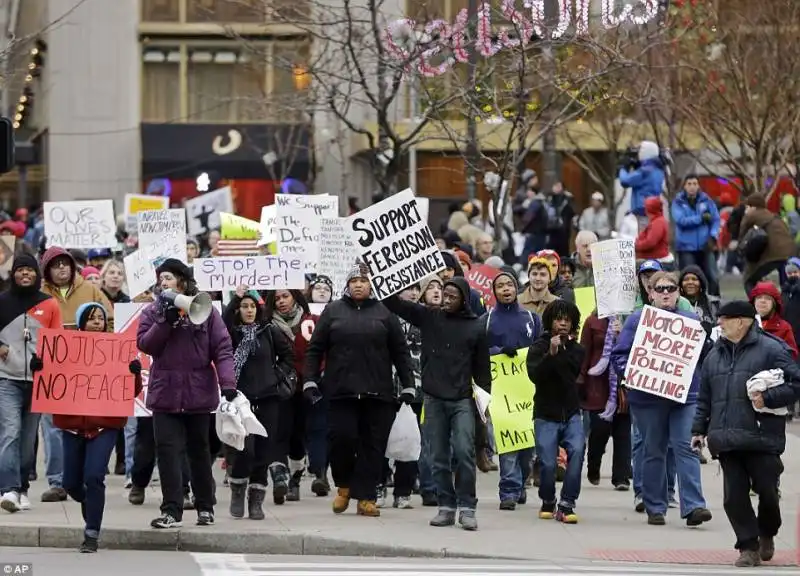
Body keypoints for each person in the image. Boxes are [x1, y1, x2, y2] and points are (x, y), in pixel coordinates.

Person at [692, 301, 800, 567]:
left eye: (724, 319)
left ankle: (767, 531)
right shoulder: (714, 354)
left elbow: (796, 382)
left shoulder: (773, 348)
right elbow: (704, 397)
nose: (720, 324)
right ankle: (748, 546)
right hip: (726, 437)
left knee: (768, 492)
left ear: (742, 321)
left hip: (762, 437)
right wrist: (698, 430)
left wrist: (769, 397)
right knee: (734, 497)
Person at [302, 265, 413, 518]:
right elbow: (315, 349)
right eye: (354, 281)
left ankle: (366, 497)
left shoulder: (385, 312)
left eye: (363, 280)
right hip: (341, 392)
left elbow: (400, 352)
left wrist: (408, 384)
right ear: (347, 285)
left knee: (372, 446)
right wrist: (309, 380)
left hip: (378, 393)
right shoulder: (333, 311)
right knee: (341, 439)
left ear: (371, 285)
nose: (359, 285)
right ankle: (344, 486)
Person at [383, 275, 490, 530]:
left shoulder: (476, 327)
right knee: (438, 456)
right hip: (433, 398)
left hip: (463, 399)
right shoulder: (429, 317)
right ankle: (446, 507)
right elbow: (393, 303)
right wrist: (382, 276)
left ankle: (467, 507)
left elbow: (483, 373)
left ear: (464, 299)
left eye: (453, 296)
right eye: (445, 294)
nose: (447, 299)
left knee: (464, 452)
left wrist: (483, 409)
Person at [136, 258, 236, 529]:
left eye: (168, 277)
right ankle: (171, 510)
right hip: (165, 394)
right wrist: (165, 323)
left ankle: (205, 507)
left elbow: (223, 348)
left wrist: (228, 382)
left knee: (199, 452)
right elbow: (145, 345)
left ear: (181, 280)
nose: (163, 283)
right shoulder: (153, 312)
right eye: (161, 279)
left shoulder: (205, 310)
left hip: (198, 394)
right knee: (167, 452)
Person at [611, 271, 712, 527]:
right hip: (648, 398)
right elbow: (619, 355)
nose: (666, 293)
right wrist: (633, 375)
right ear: (651, 293)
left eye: (671, 288)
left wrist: (707, 342)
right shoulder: (637, 320)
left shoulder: (691, 321)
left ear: (678, 292)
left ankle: (694, 506)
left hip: (684, 396)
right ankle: (655, 507)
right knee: (653, 450)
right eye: (660, 289)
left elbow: (703, 359)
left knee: (686, 448)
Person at [38, 303, 141, 552]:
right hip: (73, 428)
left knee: (94, 476)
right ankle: (89, 502)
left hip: (104, 427)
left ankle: (91, 533)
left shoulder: (117, 351)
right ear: (81, 322)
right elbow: (50, 381)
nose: (97, 322)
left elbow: (132, 392)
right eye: (91, 318)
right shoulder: (66, 349)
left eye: (100, 318)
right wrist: (39, 367)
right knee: (72, 483)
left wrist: (134, 374)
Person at [38, 246, 113, 503]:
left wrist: (98, 342)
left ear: (73, 266)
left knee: (84, 424)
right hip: (55, 371)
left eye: (65, 263)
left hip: (90, 370)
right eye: (55, 265)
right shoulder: (40, 294)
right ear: (47, 270)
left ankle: (84, 477)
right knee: (53, 426)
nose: (61, 268)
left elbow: (109, 320)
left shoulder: (90, 290)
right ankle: (58, 481)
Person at [223, 291, 295, 519]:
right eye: (244, 306)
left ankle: (256, 500)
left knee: (263, 452)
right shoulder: (231, 334)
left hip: (268, 399)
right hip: (240, 400)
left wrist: (275, 376)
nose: (249, 310)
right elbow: (222, 322)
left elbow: (288, 357)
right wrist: (235, 298)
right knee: (245, 450)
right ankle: (237, 490)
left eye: (252, 306)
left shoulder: (269, 331)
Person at [0, 255, 62, 513]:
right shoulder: (2, 302)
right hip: (7, 379)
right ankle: (8, 490)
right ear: (13, 274)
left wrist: (44, 363)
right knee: (10, 434)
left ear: (37, 275)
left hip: (38, 383)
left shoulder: (49, 305)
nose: (25, 274)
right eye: (20, 270)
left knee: (27, 443)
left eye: (29, 270)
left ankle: (22, 488)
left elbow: (58, 342)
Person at [485, 270, 541, 510]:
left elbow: (540, 347)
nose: (506, 289)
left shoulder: (531, 318)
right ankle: (508, 490)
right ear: (494, 292)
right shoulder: (486, 320)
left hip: (527, 389)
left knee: (526, 445)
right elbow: (479, 351)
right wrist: (497, 351)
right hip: (501, 390)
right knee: (508, 442)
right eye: (500, 286)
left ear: (516, 288)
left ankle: (520, 483)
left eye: (509, 284)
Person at [264, 289, 327, 500]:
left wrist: (321, 373)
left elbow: (323, 350)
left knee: (315, 430)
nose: (281, 301)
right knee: (284, 434)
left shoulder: (313, 322)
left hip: (311, 385)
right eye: (277, 298)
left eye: (285, 296)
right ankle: (283, 479)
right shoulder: (267, 327)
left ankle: (319, 474)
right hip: (281, 389)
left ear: (295, 297)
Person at [527, 300, 586, 523]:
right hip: (545, 414)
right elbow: (536, 376)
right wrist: (549, 353)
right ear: (550, 321)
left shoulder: (578, 349)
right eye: (558, 319)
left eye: (567, 320)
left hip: (571, 413)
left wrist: (559, 351)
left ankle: (567, 503)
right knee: (548, 462)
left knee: (577, 453)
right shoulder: (538, 347)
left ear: (573, 324)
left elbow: (569, 374)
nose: (562, 323)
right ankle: (548, 500)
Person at [378, 283, 424, 510]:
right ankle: (379, 485)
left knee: (410, 439)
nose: (414, 293)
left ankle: (403, 491)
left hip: (415, 387)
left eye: (417, 288)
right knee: (381, 439)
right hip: (385, 386)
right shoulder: (384, 316)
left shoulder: (425, 317)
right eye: (408, 289)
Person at [579, 312, 631, 490]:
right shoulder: (592, 321)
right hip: (597, 381)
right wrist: (580, 379)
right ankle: (593, 464)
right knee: (599, 429)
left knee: (623, 429)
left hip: (622, 380)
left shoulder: (631, 320)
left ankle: (621, 477)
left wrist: (622, 334)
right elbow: (584, 351)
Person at [671, 175, 721, 298]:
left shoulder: (707, 200)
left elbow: (716, 220)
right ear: (684, 186)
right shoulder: (677, 202)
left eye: (694, 183)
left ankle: (716, 303)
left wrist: (713, 236)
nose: (692, 187)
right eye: (689, 184)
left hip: (706, 246)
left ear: (698, 186)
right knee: (688, 279)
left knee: (712, 277)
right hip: (686, 248)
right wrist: (701, 218)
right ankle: (689, 306)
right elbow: (681, 221)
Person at [739, 194, 795, 294]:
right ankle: (784, 303)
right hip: (789, 253)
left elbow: (742, 237)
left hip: (771, 254)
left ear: (753, 207)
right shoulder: (774, 216)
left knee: (749, 280)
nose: (745, 210)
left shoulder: (750, 215)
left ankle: (757, 305)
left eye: (747, 207)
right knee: (786, 284)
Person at [618, 140, 665, 225]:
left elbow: (625, 181)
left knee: (642, 236)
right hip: (652, 209)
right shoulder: (658, 169)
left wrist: (624, 167)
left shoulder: (645, 171)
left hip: (642, 211)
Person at [749, 282, 798, 359]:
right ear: (753, 302)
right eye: (759, 297)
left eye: (767, 298)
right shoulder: (745, 325)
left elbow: (791, 356)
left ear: (774, 304)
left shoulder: (784, 327)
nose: (763, 301)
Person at [679, 266, 718, 337]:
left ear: (701, 283)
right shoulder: (674, 303)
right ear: (680, 284)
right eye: (686, 279)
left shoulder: (714, 303)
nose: (690, 282)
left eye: (694, 279)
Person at [635, 197, 670, 263]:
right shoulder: (656, 221)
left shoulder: (658, 223)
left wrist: (636, 245)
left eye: (646, 207)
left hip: (658, 261)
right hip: (654, 260)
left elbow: (650, 242)